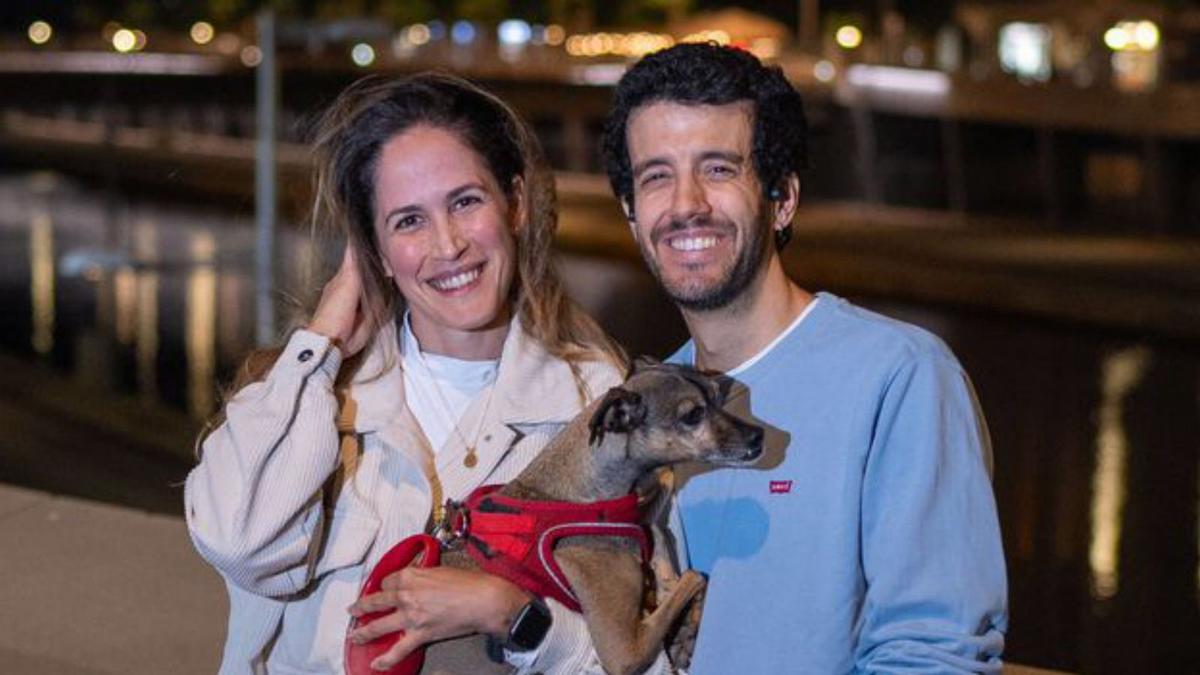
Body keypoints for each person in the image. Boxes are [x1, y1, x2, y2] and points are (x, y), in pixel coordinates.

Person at [185, 73, 666, 674]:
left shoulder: (595, 407)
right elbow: (240, 545)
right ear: (375, 252)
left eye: (465, 202)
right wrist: (321, 343)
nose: (448, 245)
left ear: (515, 204)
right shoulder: (310, 394)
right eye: (408, 221)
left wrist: (514, 615)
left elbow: (644, 659)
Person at [601, 43, 1008, 673]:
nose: (685, 204)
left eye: (718, 169)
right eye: (656, 176)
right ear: (631, 213)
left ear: (783, 197)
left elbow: (932, 651)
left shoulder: (899, 377)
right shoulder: (644, 406)